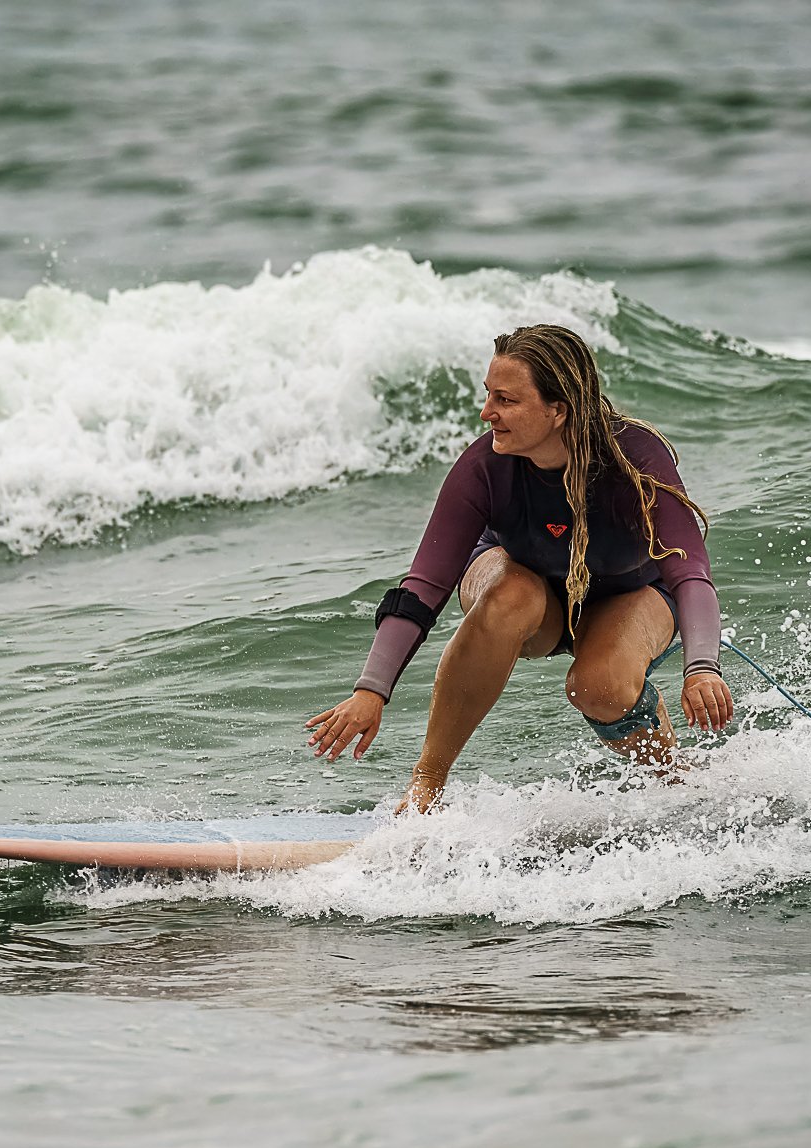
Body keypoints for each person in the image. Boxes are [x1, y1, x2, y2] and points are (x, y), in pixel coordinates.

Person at [307, 323, 733, 811]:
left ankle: (671, 777)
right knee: (510, 596)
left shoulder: (634, 460)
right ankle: (427, 782)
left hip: (629, 595)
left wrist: (701, 668)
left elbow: (689, 571)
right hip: (528, 592)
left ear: (558, 410)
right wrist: (371, 691)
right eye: (488, 395)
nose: (487, 413)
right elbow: (423, 586)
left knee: (599, 685)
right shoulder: (485, 467)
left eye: (506, 400)